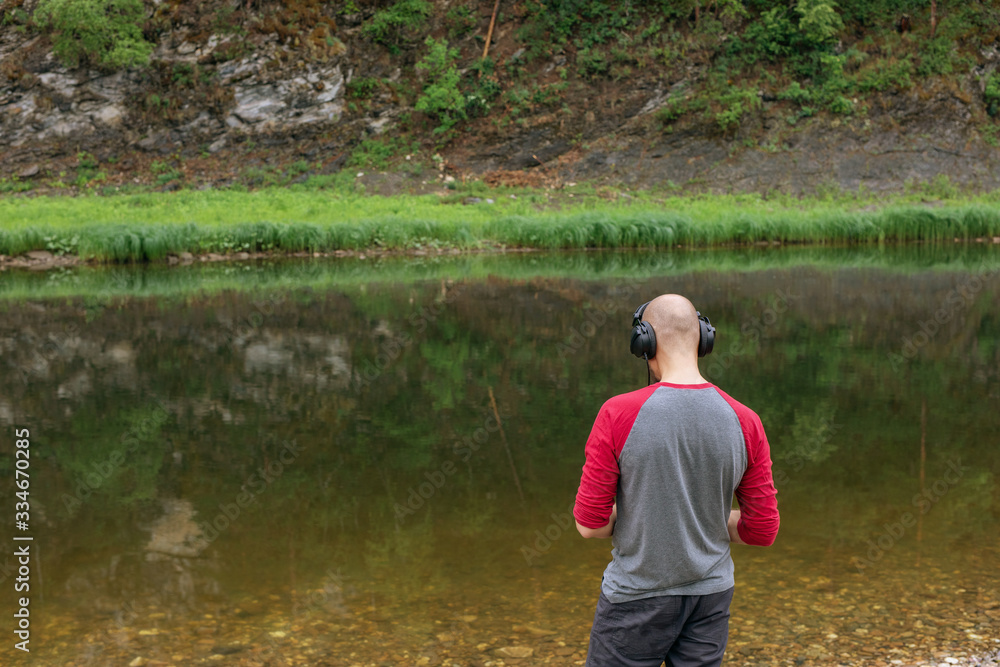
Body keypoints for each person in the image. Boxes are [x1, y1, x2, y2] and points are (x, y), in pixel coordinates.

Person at [574, 294, 779, 667]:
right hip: (711, 600)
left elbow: (591, 526)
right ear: (703, 338)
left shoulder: (617, 414)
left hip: (635, 598)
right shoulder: (745, 420)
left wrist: (640, 515)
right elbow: (762, 529)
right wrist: (701, 520)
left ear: (644, 342)